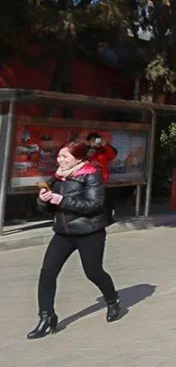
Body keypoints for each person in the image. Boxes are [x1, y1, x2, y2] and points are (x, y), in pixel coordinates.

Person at [28, 141, 122, 339]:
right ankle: (46, 317)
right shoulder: (58, 177)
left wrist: (62, 200)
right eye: (59, 156)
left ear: (78, 158)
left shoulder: (91, 174)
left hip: (90, 232)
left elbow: (94, 205)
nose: (60, 160)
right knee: (47, 274)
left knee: (93, 272)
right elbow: (47, 209)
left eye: (65, 157)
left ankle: (112, 300)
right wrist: (43, 200)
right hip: (63, 232)